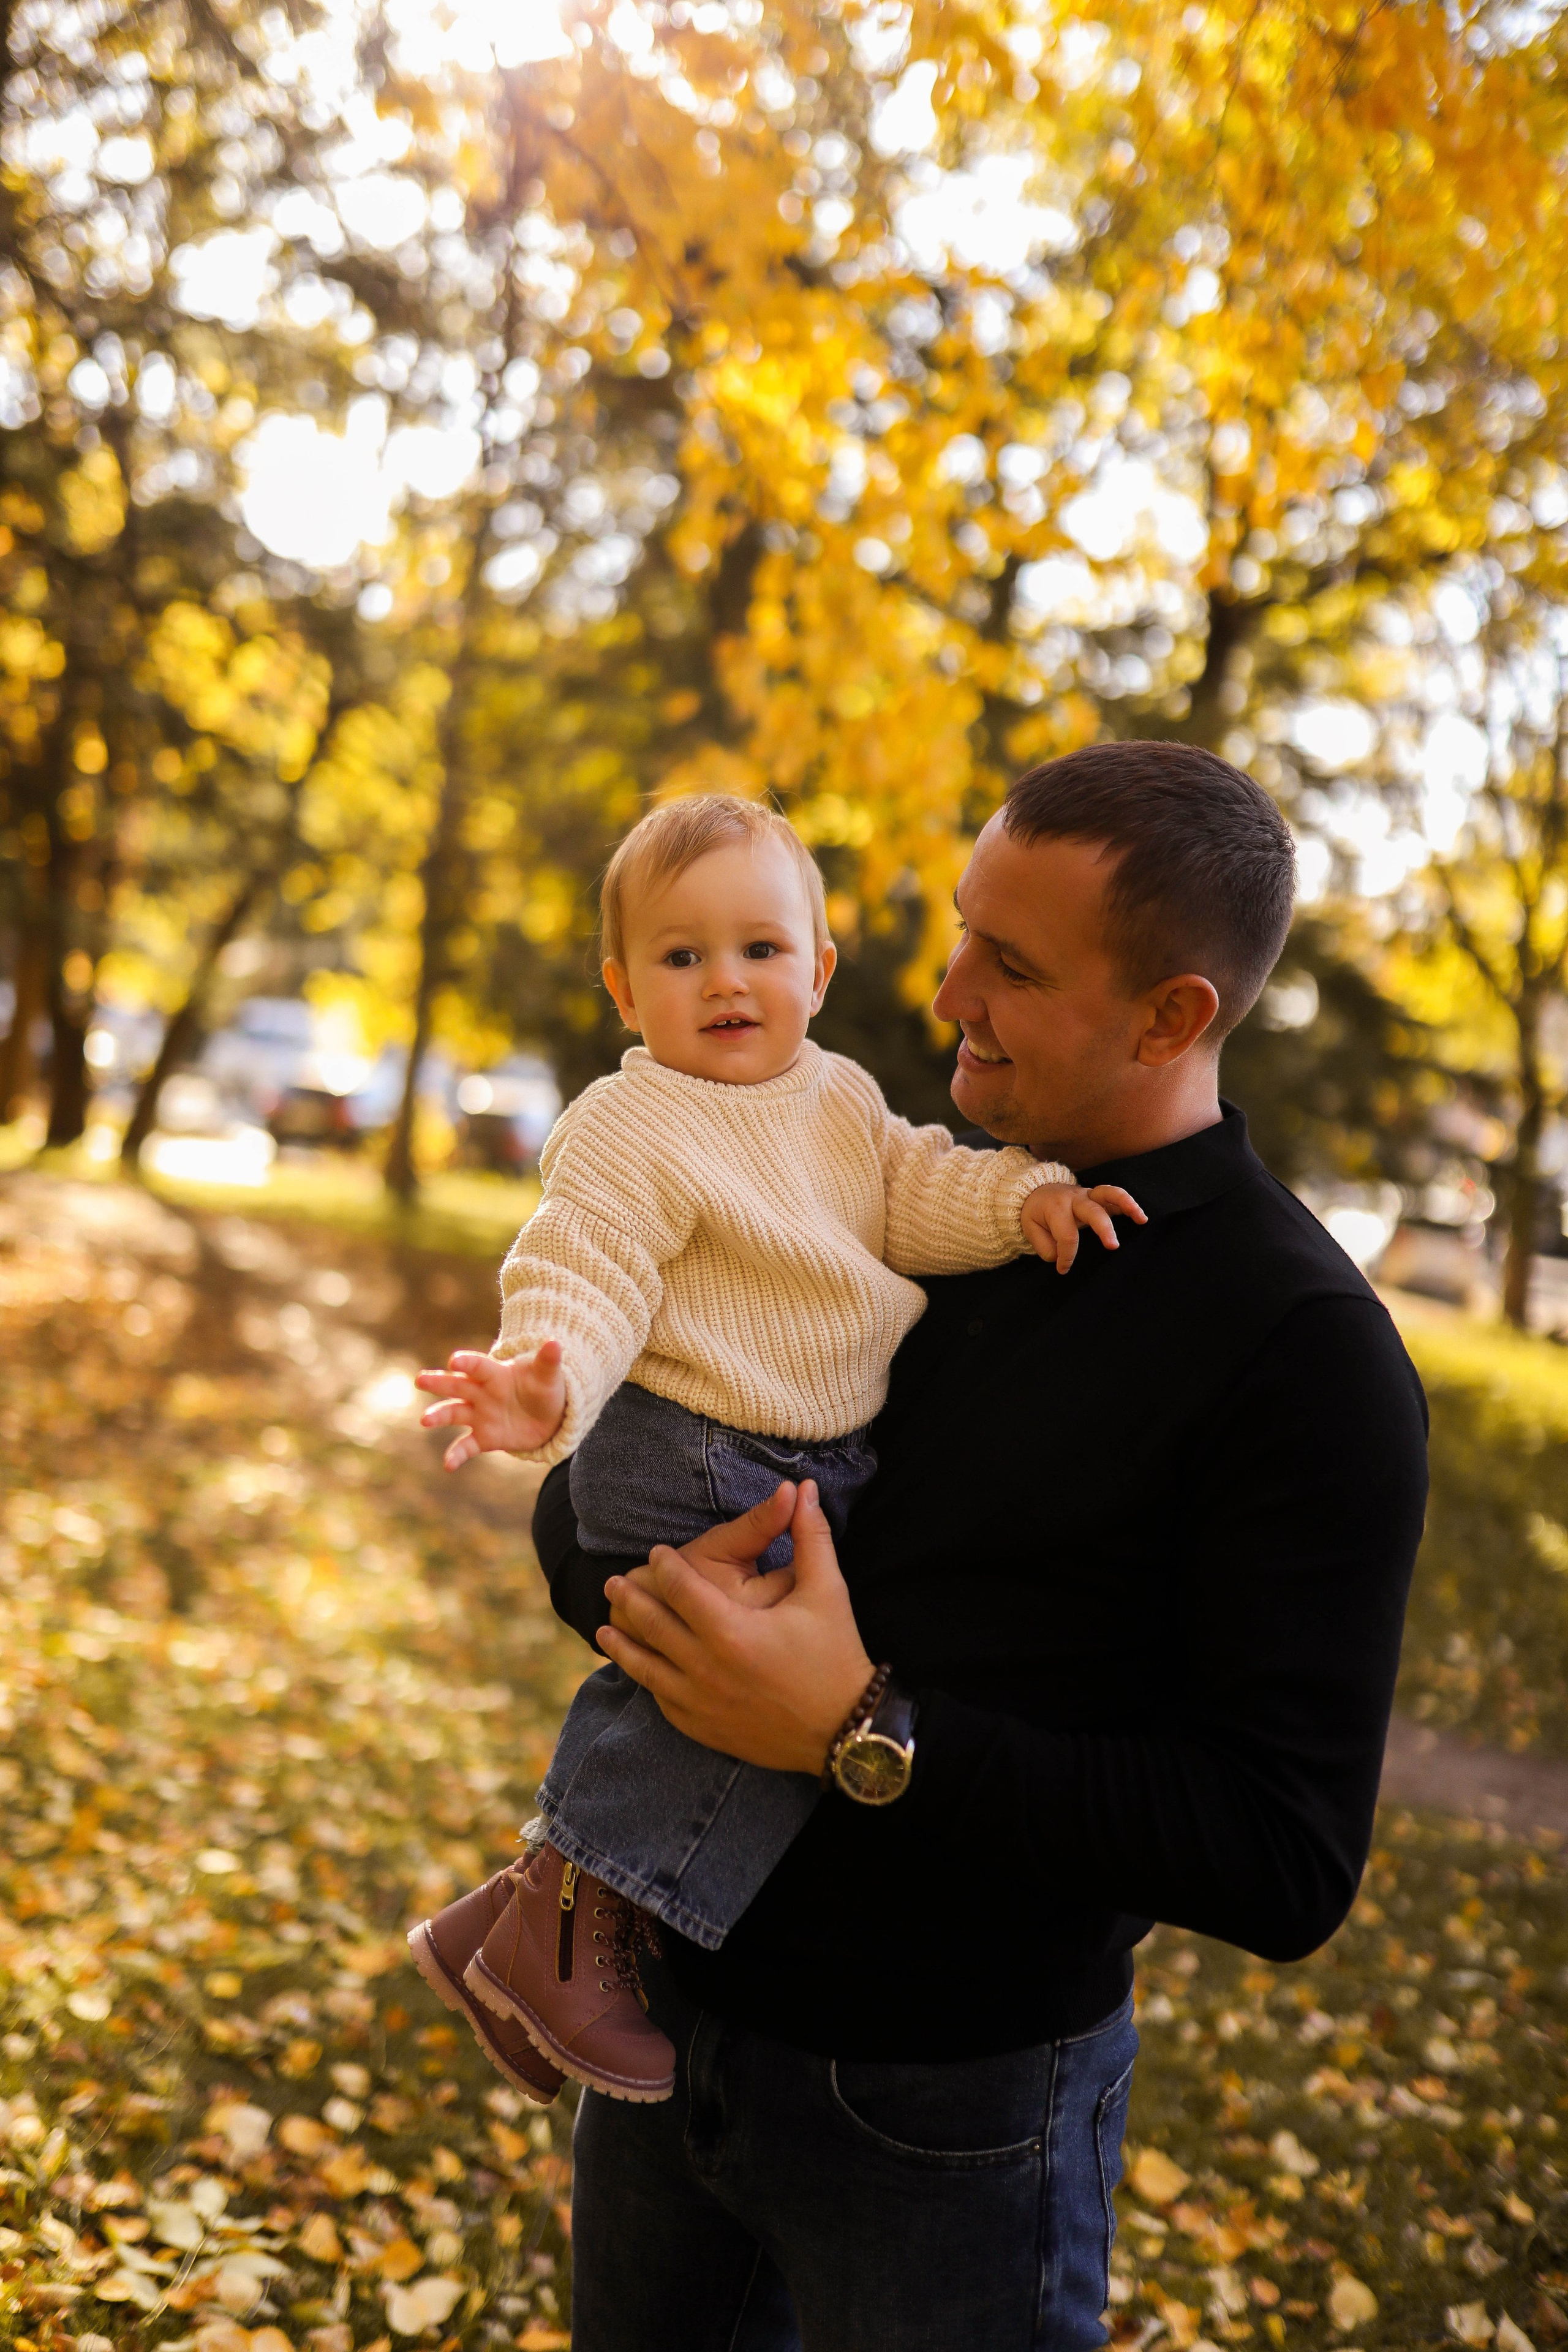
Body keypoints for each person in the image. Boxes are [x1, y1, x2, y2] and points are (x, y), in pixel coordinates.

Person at [527, 741, 1430, 2352]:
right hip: (679, 2037)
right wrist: (647, 1588)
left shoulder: (1303, 1351)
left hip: (948, 2125)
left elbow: (1285, 1856)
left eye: (1009, 967)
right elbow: (608, 1464)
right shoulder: (879, 1176)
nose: (946, 992)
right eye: (959, 932)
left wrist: (864, 1731)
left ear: (1171, 1018)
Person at [409, 794, 1142, 2105]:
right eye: (680, 958)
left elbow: (916, 1184)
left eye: (758, 947)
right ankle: (565, 1928)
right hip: (692, 1434)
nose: (725, 981)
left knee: (749, 1680)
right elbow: (591, 1261)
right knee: (743, 1691)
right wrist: (548, 1380)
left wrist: (1027, 1193)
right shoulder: (634, 1125)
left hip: (798, 1445)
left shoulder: (840, 1102)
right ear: (626, 993)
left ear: (819, 967)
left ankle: (523, 1914)